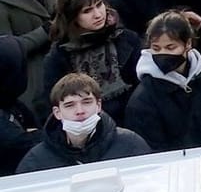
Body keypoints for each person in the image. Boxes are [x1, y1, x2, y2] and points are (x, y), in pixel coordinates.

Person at [121, 10, 201, 153]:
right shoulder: (143, 99)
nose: (162, 54)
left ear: (188, 44)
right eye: (156, 48)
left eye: (170, 47)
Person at [40, 0, 140, 123]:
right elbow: (51, 105)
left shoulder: (127, 40)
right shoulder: (59, 58)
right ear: (73, 17)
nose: (98, 14)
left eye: (99, 5)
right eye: (87, 11)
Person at [17, 72, 151, 172]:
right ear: (57, 112)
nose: (80, 111)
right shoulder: (36, 161)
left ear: (98, 106)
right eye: (70, 105)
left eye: (86, 102)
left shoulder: (131, 145)